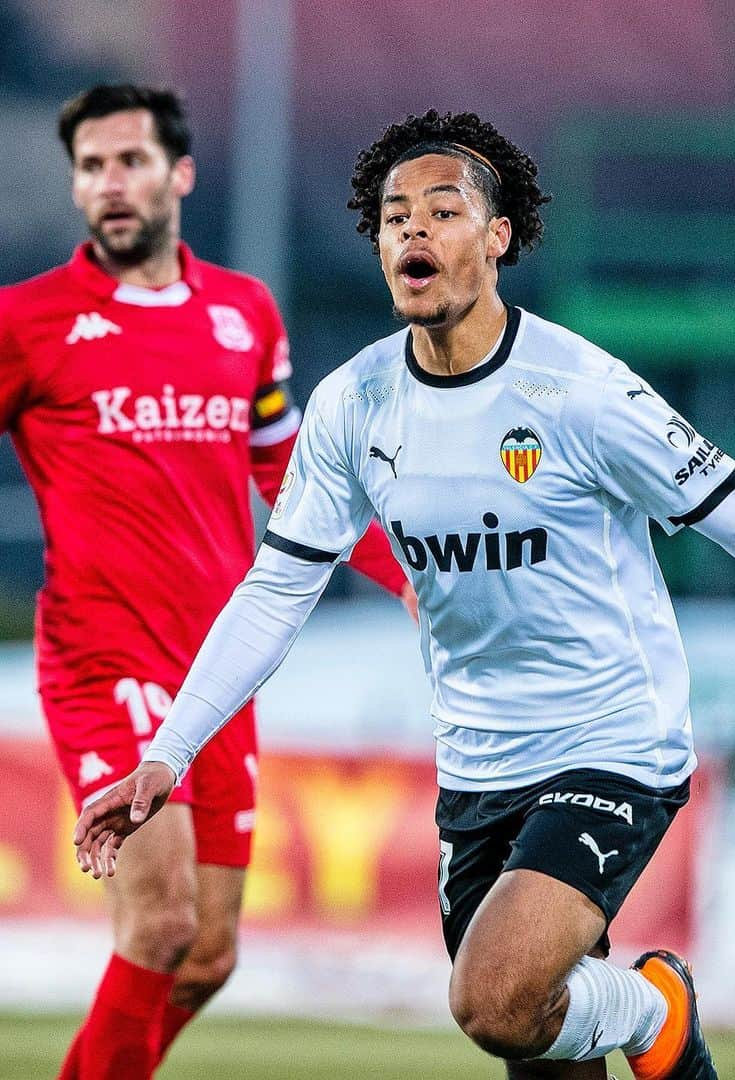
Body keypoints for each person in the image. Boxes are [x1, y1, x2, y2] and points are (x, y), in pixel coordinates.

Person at [73, 109, 735, 1080]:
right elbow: (277, 588)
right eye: (392, 214)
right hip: (478, 766)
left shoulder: (582, 393)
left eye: (443, 209)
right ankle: (658, 1038)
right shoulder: (353, 406)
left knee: (490, 999)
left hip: (614, 743)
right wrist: (168, 753)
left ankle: (651, 1006)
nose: (413, 228)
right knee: (534, 1029)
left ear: (497, 238)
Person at [0, 83, 415, 1080]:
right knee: (161, 919)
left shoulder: (243, 313)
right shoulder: (27, 322)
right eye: (92, 166)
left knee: (207, 955)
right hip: (103, 660)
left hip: (217, 670)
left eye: (130, 161)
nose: (110, 183)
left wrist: (406, 579)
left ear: (179, 174)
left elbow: (290, 475)